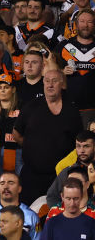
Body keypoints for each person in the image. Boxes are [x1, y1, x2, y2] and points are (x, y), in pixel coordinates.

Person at [12, 68, 81, 203]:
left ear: (62, 84)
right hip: (31, 175)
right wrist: (32, 147)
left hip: (60, 177)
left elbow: (77, 142)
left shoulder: (71, 111)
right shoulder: (31, 107)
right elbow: (16, 133)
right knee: (29, 212)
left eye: (54, 81)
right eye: (47, 81)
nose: (50, 85)